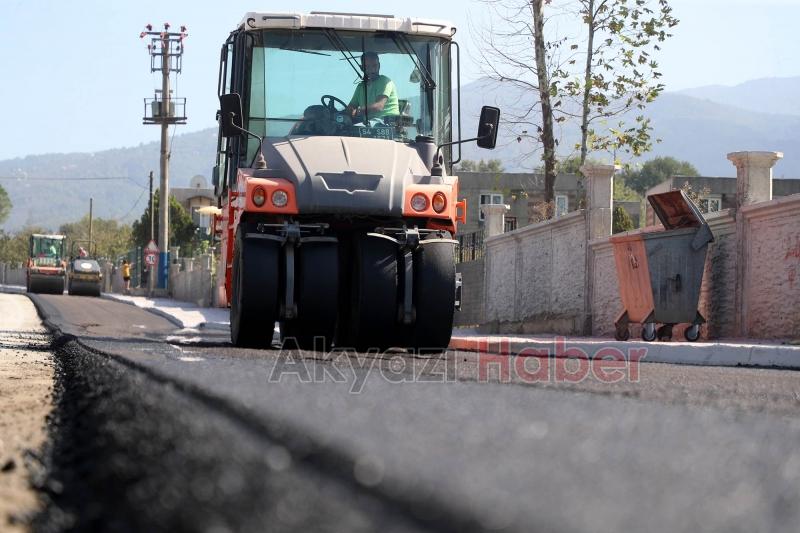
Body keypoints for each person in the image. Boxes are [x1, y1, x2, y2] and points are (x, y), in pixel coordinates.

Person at [347, 52, 400, 121]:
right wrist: (349, 111)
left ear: (379, 66)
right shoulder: (360, 87)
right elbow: (351, 106)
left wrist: (358, 111)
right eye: (367, 67)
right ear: (362, 68)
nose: (372, 70)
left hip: (387, 124)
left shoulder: (384, 81)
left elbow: (379, 106)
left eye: (375, 66)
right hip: (370, 125)